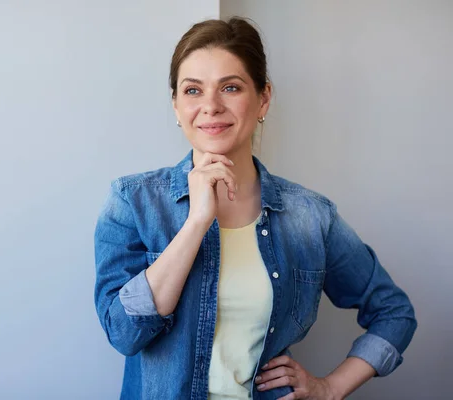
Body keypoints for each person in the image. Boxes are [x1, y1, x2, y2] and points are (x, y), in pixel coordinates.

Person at [93, 17, 417, 400]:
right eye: (193, 90)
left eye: (230, 87)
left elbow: (394, 313)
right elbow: (124, 333)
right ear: (176, 106)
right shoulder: (133, 202)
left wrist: (329, 388)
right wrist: (197, 222)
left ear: (263, 98)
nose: (210, 106)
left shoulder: (310, 217)